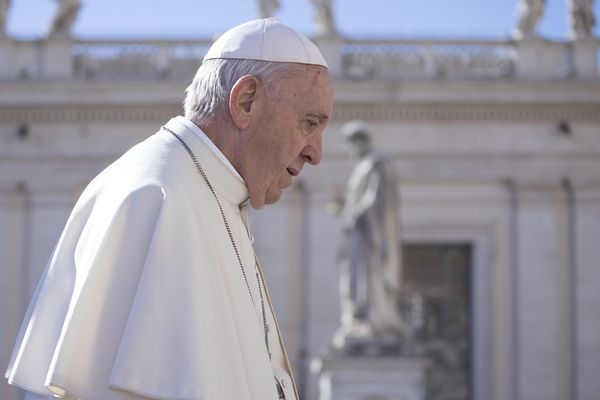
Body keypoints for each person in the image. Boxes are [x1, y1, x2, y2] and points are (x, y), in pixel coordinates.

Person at [5, 18, 333, 400]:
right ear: (246, 102)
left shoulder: (212, 193)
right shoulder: (157, 196)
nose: (316, 153)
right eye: (309, 123)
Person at [333, 120, 404, 351]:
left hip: (368, 236)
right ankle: (357, 318)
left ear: (360, 142)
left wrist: (355, 214)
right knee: (352, 276)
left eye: (351, 144)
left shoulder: (375, 165)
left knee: (366, 276)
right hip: (358, 233)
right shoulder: (363, 166)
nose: (349, 150)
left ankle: (372, 318)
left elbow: (376, 200)